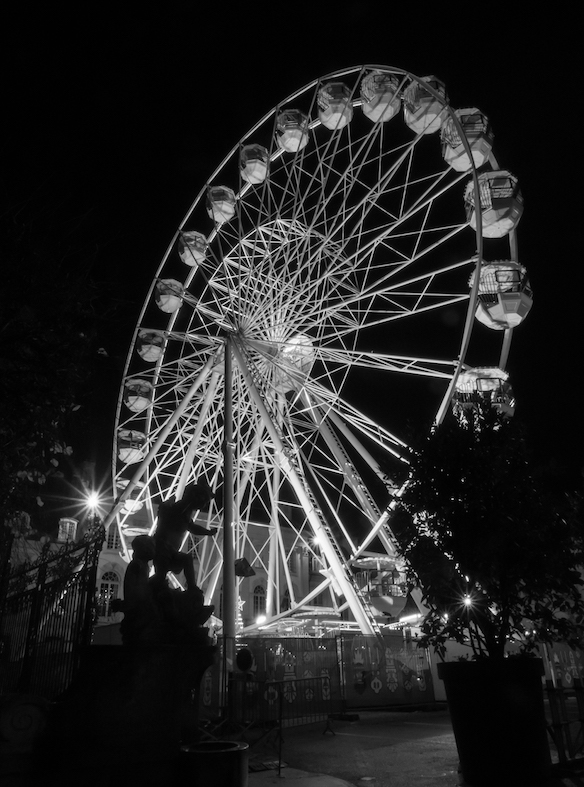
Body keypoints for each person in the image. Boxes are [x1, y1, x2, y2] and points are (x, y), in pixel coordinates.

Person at [152, 481, 216, 593]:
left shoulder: (184, 509)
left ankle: (191, 587)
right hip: (163, 549)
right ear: (197, 497)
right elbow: (191, 527)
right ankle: (191, 588)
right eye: (204, 501)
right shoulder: (181, 508)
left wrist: (208, 532)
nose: (204, 505)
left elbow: (190, 526)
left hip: (168, 549)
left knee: (183, 562)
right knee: (161, 579)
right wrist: (208, 532)